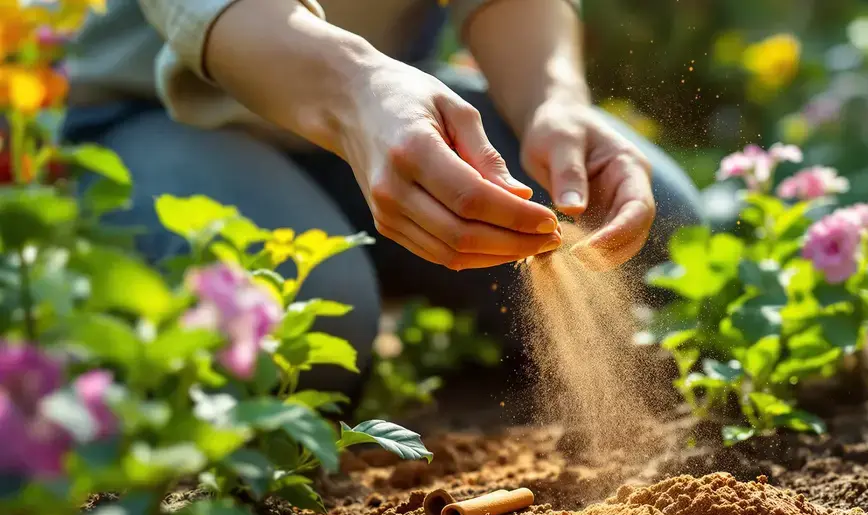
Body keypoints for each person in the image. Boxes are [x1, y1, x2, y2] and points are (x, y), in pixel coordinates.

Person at [64, 0, 704, 404]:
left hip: (394, 112)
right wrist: (357, 91)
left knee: (658, 243)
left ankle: (349, 239)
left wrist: (551, 103)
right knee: (304, 332)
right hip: (169, 121)